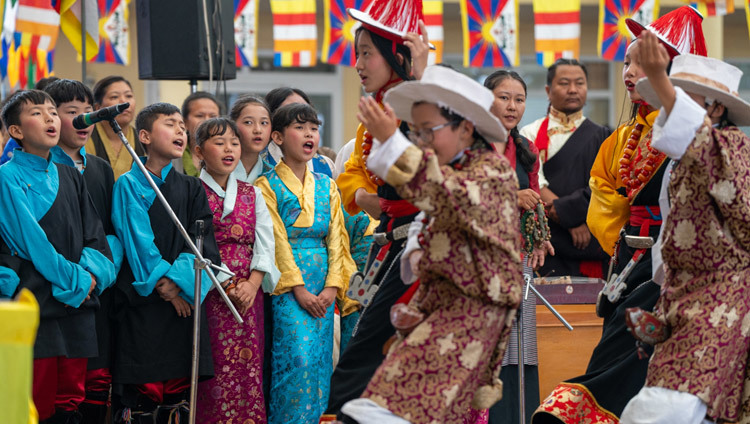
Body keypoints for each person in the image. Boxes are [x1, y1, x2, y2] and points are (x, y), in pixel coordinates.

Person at [532, 6, 706, 423]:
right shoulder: (622, 139)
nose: (629, 72)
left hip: (676, 269)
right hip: (628, 264)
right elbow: (603, 201)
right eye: (626, 62)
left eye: (640, 63)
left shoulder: (696, 137)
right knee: (625, 355)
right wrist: (625, 248)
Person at [340, 63, 522, 424]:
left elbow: (442, 192)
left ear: (466, 129)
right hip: (444, 306)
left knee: (391, 407)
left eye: (429, 131)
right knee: (401, 406)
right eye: (416, 134)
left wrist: (392, 144)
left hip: (474, 310)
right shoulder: (456, 170)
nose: (422, 143)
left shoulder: (492, 171)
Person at [619, 31, 750, 424]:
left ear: (712, 110)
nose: (665, 109)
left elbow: (696, 136)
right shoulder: (686, 159)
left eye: (679, 100)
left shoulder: (729, 147)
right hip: (683, 292)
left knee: (669, 405)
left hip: (722, 294)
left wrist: (659, 75)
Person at [323, 0, 430, 418]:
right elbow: (352, 175)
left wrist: (422, 81)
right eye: (357, 52)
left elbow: (434, 180)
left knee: (368, 355)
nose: (358, 63)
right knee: (371, 352)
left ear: (396, 55)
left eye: (367, 52)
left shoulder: (419, 107)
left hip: (418, 249)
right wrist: (373, 200)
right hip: (387, 244)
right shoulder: (380, 110)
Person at [0, 90, 116, 423]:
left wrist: (92, 274)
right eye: (38, 113)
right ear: (16, 131)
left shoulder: (69, 175)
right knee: (39, 396)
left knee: (72, 397)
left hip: (77, 301)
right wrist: (78, 280)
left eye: (53, 112)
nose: (50, 118)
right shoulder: (7, 177)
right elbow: (30, 241)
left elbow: (94, 231)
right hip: (38, 296)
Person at [110, 103, 221, 423]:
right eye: (170, 124)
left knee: (179, 398)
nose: (180, 131)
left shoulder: (191, 186)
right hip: (146, 302)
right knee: (144, 396)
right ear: (143, 136)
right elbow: (136, 241)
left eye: (181, 127)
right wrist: (164, 284)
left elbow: (205, 245)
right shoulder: (128, 184)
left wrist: (181, 284)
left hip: (185, 304)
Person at [255, 102, 357, 424]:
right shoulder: (266, 185)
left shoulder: (328, 187)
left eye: (313, 127)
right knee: (295, 360)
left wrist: (332, 287)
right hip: (290, 291)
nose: (309, 134)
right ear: (278, 137)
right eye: (299, 127)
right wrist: (298, 289)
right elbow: (276, 242)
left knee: (319, 365)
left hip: (324, 287)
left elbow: (339, 240)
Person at [44, 79, 125, 424]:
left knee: (97, 379)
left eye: (88, 112)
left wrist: (97, 274)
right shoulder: (44, 168)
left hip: (99, 288)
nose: (84, 120)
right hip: (58, 288)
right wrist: (76, 275)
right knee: (62, 385)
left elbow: (112, 230)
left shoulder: (100, 169)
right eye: (71, 112)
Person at [193, 117, 280, 423]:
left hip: (249, 295)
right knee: (214, 369)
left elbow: (265, 243)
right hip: (209, 291)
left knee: (249, 367)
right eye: (219, 143)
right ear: (199, 151)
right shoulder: (191, 191)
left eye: (233, 143)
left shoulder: (251, 192)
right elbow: (193, 244)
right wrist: (228, 284)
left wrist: (253, 284)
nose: (229, 149)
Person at [484, 70, 553, 424]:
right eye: (504, 97)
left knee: (520, 348)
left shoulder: (526, 150)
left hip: (518, 260)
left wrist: (538, 239)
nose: (512, 106)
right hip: (479, 262)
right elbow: (461, 195)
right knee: (485, 349)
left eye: (519, 99)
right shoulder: (471, 146)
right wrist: (513, 195)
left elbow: (533, 202)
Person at [519, 59, 610, 278]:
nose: (573, 90)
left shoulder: (604, 135)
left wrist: (581, 221)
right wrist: (568, 220)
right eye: (564, 83)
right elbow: (535, 184)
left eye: (579, 83)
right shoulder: (529, 133)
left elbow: (606, 188)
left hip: (591, 239)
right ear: (548, 90)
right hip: (549, 240)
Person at [263, 87, 335, 177]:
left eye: (313, 128)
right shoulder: (258, 165)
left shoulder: (326, 166)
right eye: (299, 127)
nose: (301, 112)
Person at [85, 75, 144, 179]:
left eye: (129, 96)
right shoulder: (87, 136)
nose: (124, 102)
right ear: (98, 107)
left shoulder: (142, 139)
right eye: (114, 97)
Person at [176, 91, 222, 176]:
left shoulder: (229, 154)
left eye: (213, 116)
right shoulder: (172, 156)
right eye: (200, 116)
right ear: (185, 122)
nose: (207, 121)